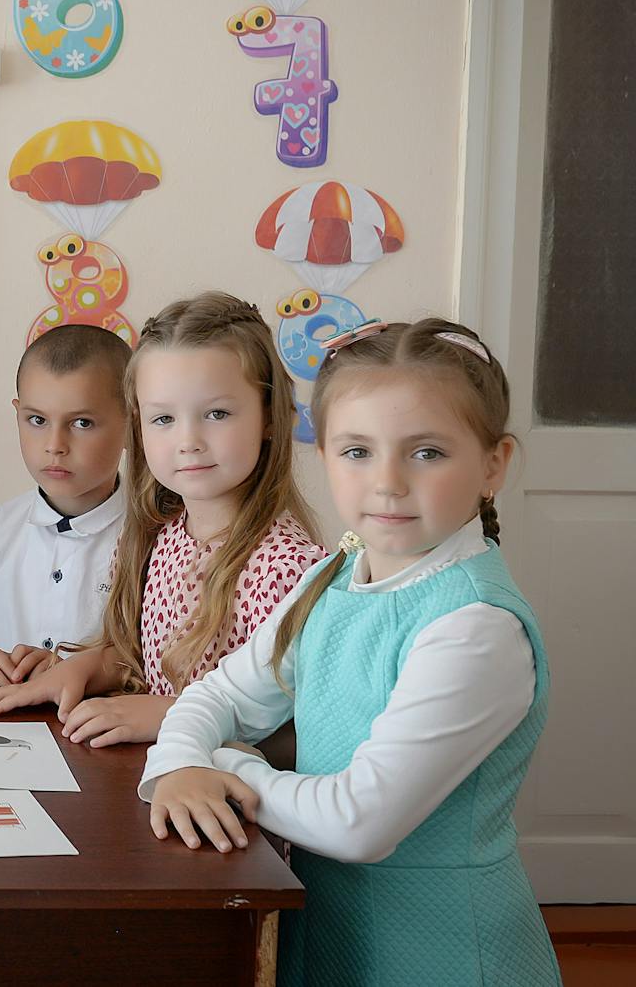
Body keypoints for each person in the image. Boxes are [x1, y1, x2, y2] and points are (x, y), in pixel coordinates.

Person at [142, 318, 558, 986]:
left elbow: (361, 822)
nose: (387, 482)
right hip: (334, 930)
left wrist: (228, 769)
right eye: (357, 451)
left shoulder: (475, 627)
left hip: (440, 953)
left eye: (426, 453)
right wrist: (180, 764)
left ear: (493, 464)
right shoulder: (331, 578)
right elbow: (219, 693)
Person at [0, 291, 323, 747]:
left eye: (216, 413)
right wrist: (83, 668)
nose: (188, 440)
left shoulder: (288, 568)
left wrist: (171, 714)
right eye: (163, 418)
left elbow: (293, 729)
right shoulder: (159, 537)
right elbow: (143, 657)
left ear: (270, 416)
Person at [0, 324, 131, 693]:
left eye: (82, 423)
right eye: (37, 420)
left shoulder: (159, 536)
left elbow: (163, 665)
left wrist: (76, 672)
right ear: (17, 414)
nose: (55, 445)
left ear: (131, 423)